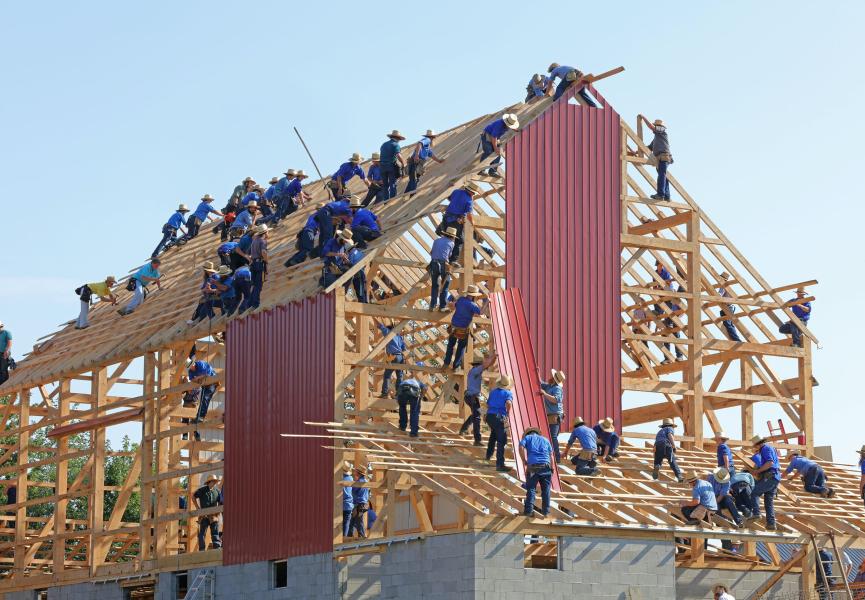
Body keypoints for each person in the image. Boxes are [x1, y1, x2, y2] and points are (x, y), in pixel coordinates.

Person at [436, 181, 483, 263]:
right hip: (455, 221)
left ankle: (442, 253)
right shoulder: (469, 201)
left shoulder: (456, 191)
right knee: (459, 240)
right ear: (472, 192)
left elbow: (449, 198)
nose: (473, 195)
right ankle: (452, 260)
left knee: (445, 235)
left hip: (446, 218)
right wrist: (472, 224)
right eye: (473, 193)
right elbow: (469, 214)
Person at [442, 286, 487, 370]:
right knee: (460, 348)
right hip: (462, 329)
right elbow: (481, 312)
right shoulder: (472, 305)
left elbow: (455, 305)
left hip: (453, 327)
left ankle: (446, 363)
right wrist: (487, 302)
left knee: (450, 346)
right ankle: (456, 366)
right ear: (474, 295)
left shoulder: (461, 299)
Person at [459, 351, 497, 445]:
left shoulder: (475, 372)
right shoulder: (476, 370)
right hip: (472, 396)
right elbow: (487, 364)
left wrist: (494, 358)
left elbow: (487, 366)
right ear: (478, 365)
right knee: (477, 417)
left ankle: (464, 428)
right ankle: (477, 440)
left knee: (477, 413)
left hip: (472, 397)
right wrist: (494, 356)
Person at [745, 434, 781, 530]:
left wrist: (757, 471)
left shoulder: (765, 448)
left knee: (754, 493)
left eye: (755, 446)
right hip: (775, 477)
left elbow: (770, 463)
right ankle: (771, 523)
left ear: (758, 444)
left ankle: (756, 513)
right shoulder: (770, 448)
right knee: (768, 501)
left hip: (770, 476)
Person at [520, 427, 554, 517]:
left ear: (528, 433)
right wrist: (552, 467)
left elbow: (521, 447)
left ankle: (528, 511)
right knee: (546, 490)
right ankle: (546, 512)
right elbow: (551, 455)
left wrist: (524, 460)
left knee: (531, 489)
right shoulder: (545, 440)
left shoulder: (527, 438)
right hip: (546, 467)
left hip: (533, 467)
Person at [640, 116, 674, 201]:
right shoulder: (656, 138)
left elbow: (651, 126)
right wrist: (636, 151)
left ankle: (661, 194)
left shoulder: (662, 132)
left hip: (663, 157)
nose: (653, 129)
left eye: (656, 126)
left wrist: (643, 118)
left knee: (661, 175)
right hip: (660, 158)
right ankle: (666, 195)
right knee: (663, 175)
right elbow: (649, 148)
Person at [485, 375, 513, 472]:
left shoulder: (493, 392)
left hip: (490, 416)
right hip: (499, 417)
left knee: (493, 435)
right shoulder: (508, 393)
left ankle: (488, 455)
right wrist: (507, 413)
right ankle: (499, 464)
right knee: (502, 441)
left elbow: (487, 404)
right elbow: (509, 403)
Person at [405, 129, 445, 194]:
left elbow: (431, 155)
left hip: (419, 163)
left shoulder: (427, 147)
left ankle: (406, 194)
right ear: (432, 137)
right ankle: (412, 194)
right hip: (416, 161)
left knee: (415, 179)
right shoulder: (427, 139)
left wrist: (439, 161)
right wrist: (416, 155)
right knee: (414, 179)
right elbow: (419, 144)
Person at [428, 227, 457, 311]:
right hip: (444, 264)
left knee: (434, 285)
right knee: (445, 285)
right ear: (452, 236)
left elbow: (431, 253)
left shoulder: (436, 241)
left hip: (433, 263)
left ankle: (432, 305)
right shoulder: (451, 243)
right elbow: (449, 255)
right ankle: (442, 306)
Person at [539, 369, 565, 463]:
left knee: (553, 437)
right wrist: (537, 373)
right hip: (551, 415)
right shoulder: (550, 386)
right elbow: (540, 383)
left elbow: (556, 400)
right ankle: (554, 457)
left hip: (555, 415)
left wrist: (545, 394)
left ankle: (557, 458)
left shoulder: (557, 388)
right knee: (551, 436)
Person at [188, 359, 217, 440]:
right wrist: (199, 378)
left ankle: (201, 417)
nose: (191, 369)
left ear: (193, 364)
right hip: (205, 384)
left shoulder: (200, 364)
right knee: (202, 400)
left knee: (206, 398)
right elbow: (192, 379)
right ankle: (199, 417)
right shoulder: (190, 371)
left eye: (191, 367)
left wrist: (198, 377)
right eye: (189, 368)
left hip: (212, 381)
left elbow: (207, 374)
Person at [377, 321, 407, 398]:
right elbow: (404, 348)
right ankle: (399, 394)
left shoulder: (388, 332)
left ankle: (384, 393)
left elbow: (380, 325)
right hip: (400, 357)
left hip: (392, 356)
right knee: (399, 376)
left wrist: (374, 317)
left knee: (387, 375)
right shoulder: (399, 336)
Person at [192, 475, 222, 550]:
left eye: (215, 481)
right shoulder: (202, 490)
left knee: (215, 533)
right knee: (202, 534)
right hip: (204, 515)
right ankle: (202, 549)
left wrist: (218, 511)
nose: (215, 483)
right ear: (209, 482)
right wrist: (197, 508)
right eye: (213, 481)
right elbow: (193, 496)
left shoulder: (217, 491)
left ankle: (217, 548)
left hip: (213, 515)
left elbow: (220, 502)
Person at [396, 370, 426, 437]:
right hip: (414, 391)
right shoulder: (418, 382)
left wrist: (399, 401)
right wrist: (421, 396)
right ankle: (413, 432)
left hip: (402, 390)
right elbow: (425, 388)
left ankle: (402, 426)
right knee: (414, 412)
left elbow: (398, 393)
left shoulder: (404, 381)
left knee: (402, 408)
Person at [653, 417, 683, 482]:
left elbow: (655, 444)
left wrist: (655, 454)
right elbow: (670, 435)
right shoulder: (669, 429)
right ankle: (679, 475)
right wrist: (674, 446)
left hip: (658, 446)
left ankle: (657, 466)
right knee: (672, 461)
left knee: (658, 460)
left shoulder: (659, 432)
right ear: (671, 425)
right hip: (666, 444)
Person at [379, 131, 406, 200]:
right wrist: (403, 163)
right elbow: (398, 155)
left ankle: (385, 201)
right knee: (392, 183)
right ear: (398, 138)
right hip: (390, 166)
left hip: (382, 167)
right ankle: (392, 199)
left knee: (385, 185)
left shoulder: (384, 144)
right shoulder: (395, 145)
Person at [248, 224, 269, 310]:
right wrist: (266, 261)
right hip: (259, 264)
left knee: (254, 285)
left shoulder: (254, 241)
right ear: (265, 232)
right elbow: (263, 252)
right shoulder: (262, 241)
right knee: (258, 285)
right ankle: (255, 304)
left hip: (253, 264)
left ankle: (250, 303)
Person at [717, 272, 742, 342]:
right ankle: (736, 339)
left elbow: (719, 295)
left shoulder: (723, 286)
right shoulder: (727, 286)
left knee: (727, 324)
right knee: (729, 324)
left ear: (723, 279)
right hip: (730, 307)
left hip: (727, 307)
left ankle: (736, 340)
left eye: (720, 278)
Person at [348, 466, 370, 538]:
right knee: (354, 519)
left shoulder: (359, 482)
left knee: (358, 520)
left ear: (358, 473)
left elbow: (352, 491)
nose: (354, 473)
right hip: (364, 503)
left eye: (356, 471)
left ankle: (362, 536)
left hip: (359, 504)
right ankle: (350, 534)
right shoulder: (366, 481)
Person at [341, 463, 354, 538]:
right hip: (349, 504)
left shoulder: (340, 477)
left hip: (340, 503)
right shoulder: (350, 478)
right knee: (346, 523)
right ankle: (344, 537)